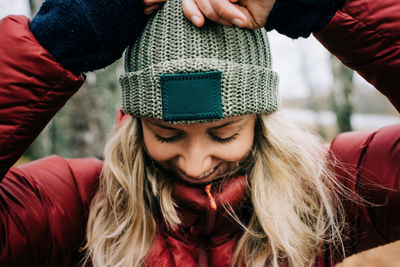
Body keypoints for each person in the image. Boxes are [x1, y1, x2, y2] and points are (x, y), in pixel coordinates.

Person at [0, 0, 398, 266]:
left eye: (223, 134)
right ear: (137, 124)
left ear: (260, 121)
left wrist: (322, 5)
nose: (195, 164)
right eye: (167, 135)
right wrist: (56, 41)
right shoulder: (74, 204)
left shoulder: (329, 191)